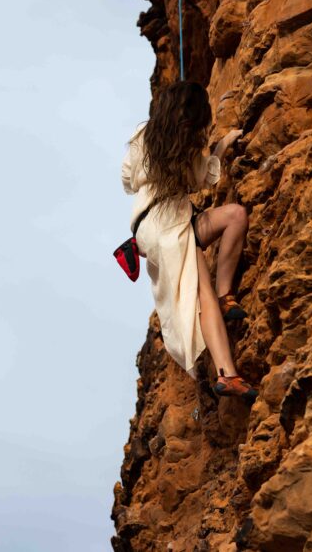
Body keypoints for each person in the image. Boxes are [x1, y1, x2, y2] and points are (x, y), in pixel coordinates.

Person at [121, 81, 258, 400]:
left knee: (235, 215)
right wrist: (220, 147)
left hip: (156, 223)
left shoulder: (145, 136)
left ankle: (228, 297)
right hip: (169, 225)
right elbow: (202, 181)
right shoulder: (188, 146)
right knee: (203, 295)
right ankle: (228, 374)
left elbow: (127, 180)